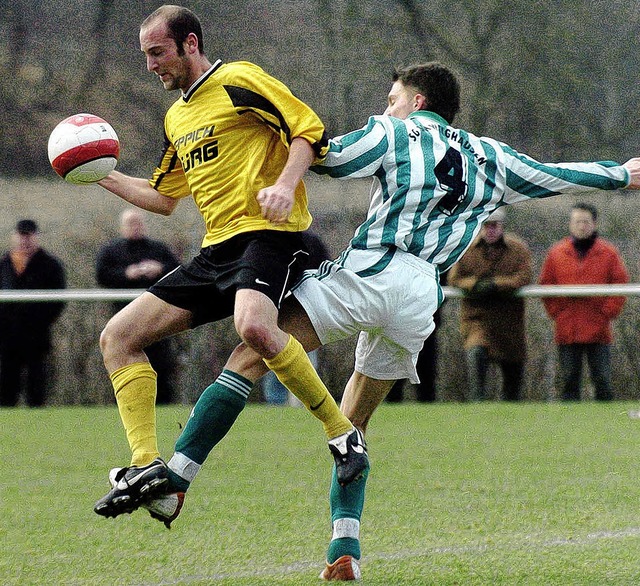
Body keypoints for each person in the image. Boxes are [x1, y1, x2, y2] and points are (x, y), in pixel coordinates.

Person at [131, 62, 640, 581]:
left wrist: (254, 145)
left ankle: (177, 478)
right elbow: (562, 176)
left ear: (417, 102)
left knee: (251, 353)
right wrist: (623, 173)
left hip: (372, 270)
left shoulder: (396, 132)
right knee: (354, 426)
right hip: (423, 296)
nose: (385, 107)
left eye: (392, 98)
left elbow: (327, 156)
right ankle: (343, 548)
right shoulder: (493, 157)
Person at [92, 5, 367, 520]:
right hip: (217, 249)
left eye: (158, 53)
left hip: (272, 236)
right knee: (117, 337)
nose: (151, 65)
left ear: (189, 44)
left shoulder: (240, 79)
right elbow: (163, 197)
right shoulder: (176, 117)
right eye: (145, 55)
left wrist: (285, 185)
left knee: (253, 326)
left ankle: (342, 434)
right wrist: (97, 173)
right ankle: (147, 466)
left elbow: (309, 130)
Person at [539, 202, 629, 401]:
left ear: (594, 224)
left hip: (599, 328)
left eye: (585, 222)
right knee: (569, 380)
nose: (581, 226)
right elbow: (546, 284)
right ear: (570, 224)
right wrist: (557, 313)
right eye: (577, 221)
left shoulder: (608, 252)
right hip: (567, 327)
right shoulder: (556, 252)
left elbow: (620, 283)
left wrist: (607, 312)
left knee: (602, 381)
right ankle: (569, 426)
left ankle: (607, 426)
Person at [96, 209, 181, 403]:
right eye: (130, 223)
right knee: (124, 359)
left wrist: (160, 269)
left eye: (138, 223)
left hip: (157, 318)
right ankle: (128, 402)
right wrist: (126, 274)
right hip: (124, 316)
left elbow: (178, 270)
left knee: (159, 363)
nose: (135, 227)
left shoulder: (158, 249)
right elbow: (102, 275)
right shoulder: (111, 251)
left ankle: (163, 403)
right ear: (122, 227)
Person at [447, 207, 532, 401]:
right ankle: (477, 401)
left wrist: (496, 285)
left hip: (509, 320)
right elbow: (454, 278)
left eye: (494, 225)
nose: (490, 230)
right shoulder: (466, 249)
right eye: (486, 226)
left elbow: (524, 276)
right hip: (477, 317)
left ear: (502, 227)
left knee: (512, 372)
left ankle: (511, 410)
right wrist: (475, 285)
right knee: (476, 352)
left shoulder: (518, 249)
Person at [0, 219, 66, 407]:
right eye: (21, 235)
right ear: (15, 236)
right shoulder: (4, 263)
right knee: (7, 381)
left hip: (36, 334)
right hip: (7, 334)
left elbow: (57, 299)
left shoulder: (50, 264)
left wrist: (40, 320)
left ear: (36, 237)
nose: (25, 240)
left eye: (29, 236)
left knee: (36, 380)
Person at [261, 230, 330, 405]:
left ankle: (298, 405)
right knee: (275, 362)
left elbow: (323, 273)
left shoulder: (310, 242)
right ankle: (280, 407)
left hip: (303, 310)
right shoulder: (272, 240)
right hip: (284, 311)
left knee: (297, 361)